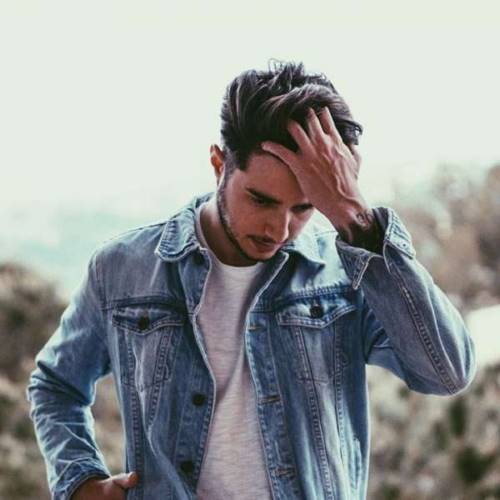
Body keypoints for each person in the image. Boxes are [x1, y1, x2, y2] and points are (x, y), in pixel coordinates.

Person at [26, 60, 477, 500]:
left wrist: (355, 217)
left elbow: (446, 371)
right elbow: (55, 384)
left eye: (304, 208)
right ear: (219, 164)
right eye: (261, 200)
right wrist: (79, 479)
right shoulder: (123, 269)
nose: (279, 230)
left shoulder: (346, 274)